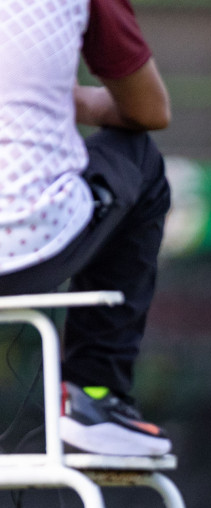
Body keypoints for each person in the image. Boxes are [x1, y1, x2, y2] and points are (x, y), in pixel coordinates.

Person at [0, 0, 173, 457]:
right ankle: (95, 397)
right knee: (140, 159)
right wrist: (74, 100)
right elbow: (149, 110)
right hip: (28, 246)